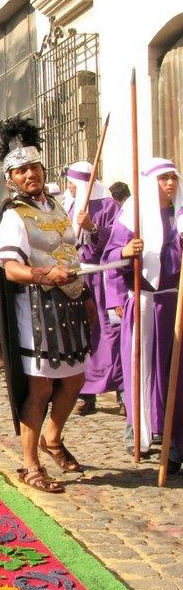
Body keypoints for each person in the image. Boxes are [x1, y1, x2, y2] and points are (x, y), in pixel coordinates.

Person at [0, 116, 91, 494]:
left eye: (34, 167)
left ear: (44, 169)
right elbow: (10, 268)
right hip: (36, 312)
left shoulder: (58, 207)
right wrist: (46, 276)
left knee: (75, 378)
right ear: (11, 177)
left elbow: (71, 248)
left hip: (70, 307)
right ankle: (30, 464)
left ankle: (53, 437)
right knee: (40, 389)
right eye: (22, 170)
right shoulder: (13, 214)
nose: (30, 175)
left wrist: (87, 233)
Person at [103, 158, 183, 461]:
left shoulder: (181, 215)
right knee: (141, 368)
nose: (170, 184)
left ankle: (174, 438)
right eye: (163, 179)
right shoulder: (132, 217)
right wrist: (126, 251)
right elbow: (111, 257)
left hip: (176, 305)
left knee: (174, 371)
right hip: (144, 303)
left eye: (173, 178)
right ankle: (139, 429)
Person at [65, 160, 122, 416]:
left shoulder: (110, 206)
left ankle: (121, 391)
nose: (69, 187)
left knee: (109, 335)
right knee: (81, 337)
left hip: (101, 280)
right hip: (77, 279)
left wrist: (93, 228)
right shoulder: (67, 208)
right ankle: (86, 395)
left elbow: (117, 240)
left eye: (71, 183)